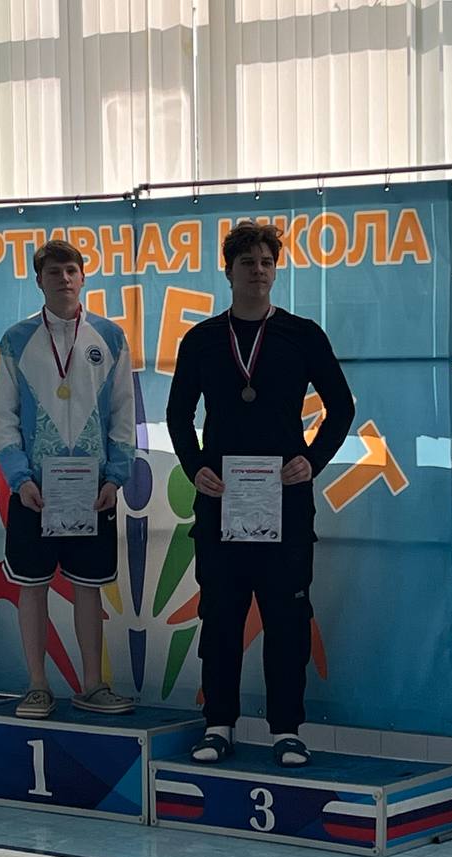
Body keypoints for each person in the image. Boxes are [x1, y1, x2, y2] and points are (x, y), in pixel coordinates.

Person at [166, 220, 354, 767]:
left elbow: (342, 408)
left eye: (266, 262)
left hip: (286, 502)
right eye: (247, 262)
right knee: (221, 616)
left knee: (287, 620)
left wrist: (312, 461)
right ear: (228, 272)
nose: (258, 271)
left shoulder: (303, 335)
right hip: (221, 499)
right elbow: (178, 415)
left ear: (276, 271)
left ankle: (286, 730)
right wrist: (195, 467)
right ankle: (218, 724)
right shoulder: (202, 339)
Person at [0, 239, 137, 719]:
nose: (64, 279)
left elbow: (123, 414)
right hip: (34, 490)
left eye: (71, 270)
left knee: (88, 587)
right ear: (39, 280)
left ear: (83, 276)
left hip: (93, 491)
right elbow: (4, 417)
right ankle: (37, 686)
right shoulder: (16, 339)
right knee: (31, 586)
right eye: (54, 272)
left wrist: (115, 477)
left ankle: (93, 684)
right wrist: (19, 479)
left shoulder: (110, 337)